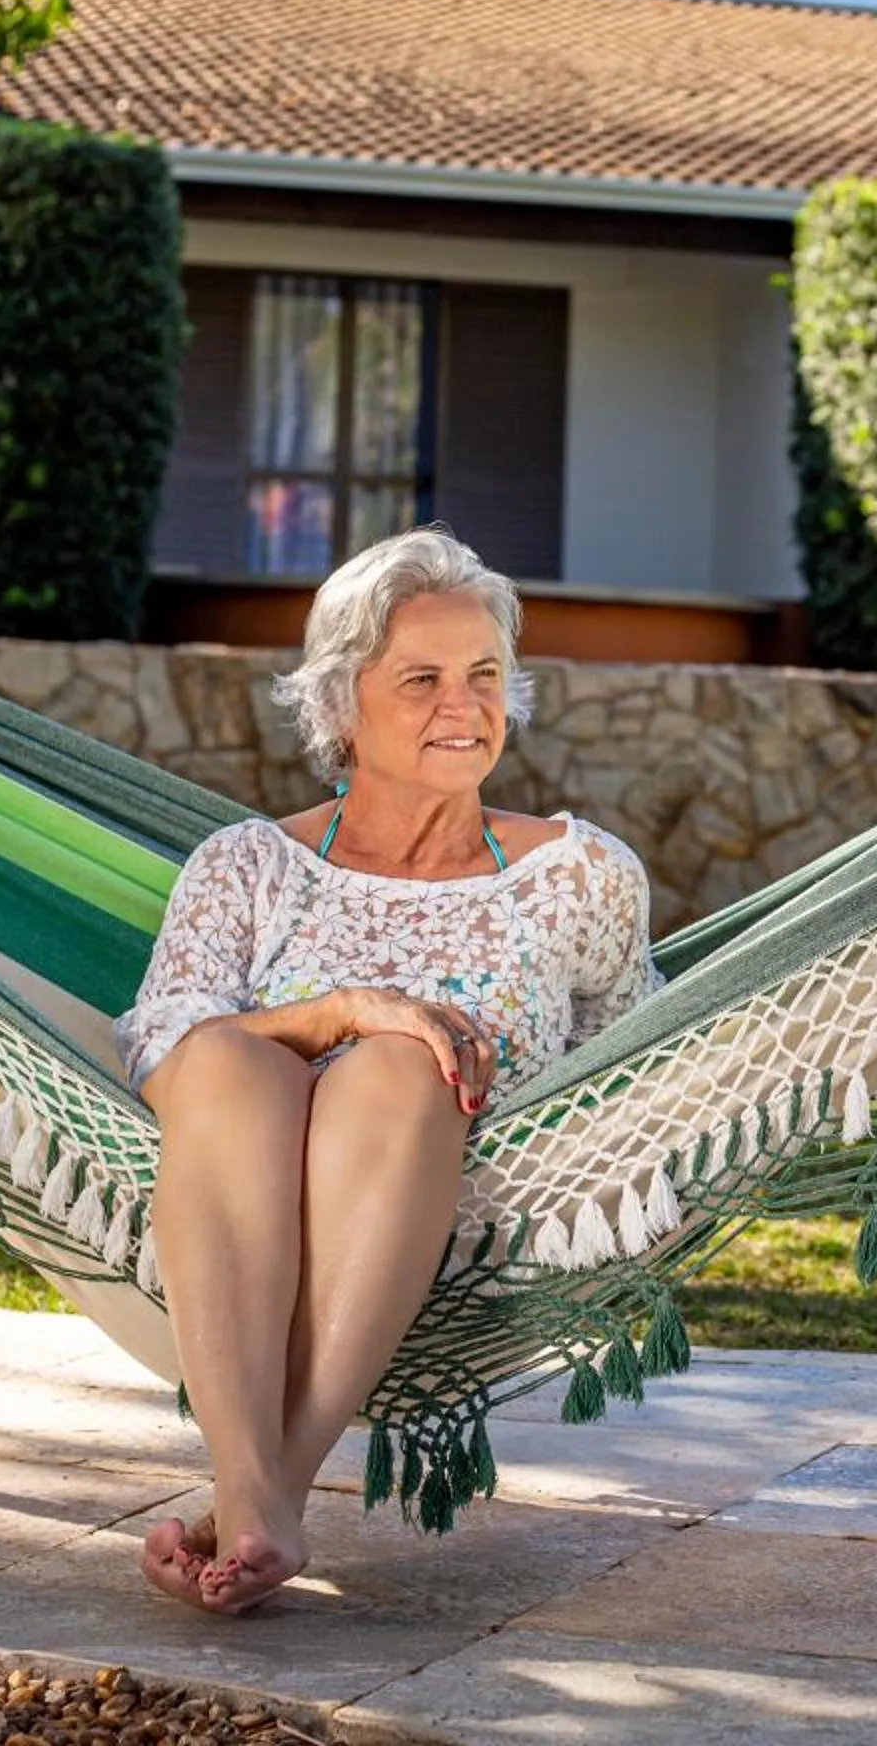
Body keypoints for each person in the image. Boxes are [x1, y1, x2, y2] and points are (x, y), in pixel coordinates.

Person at [111, 527, 661, 1615]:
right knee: (226, 1052)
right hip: (242, 1172)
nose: (465, 705)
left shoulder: (578, 875)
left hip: (462, 1202)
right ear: (340, 702)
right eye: (423, 678)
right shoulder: (247, 867)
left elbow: (639, 1049)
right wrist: (339, 1013)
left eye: (485, 675)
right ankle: (265, 1498)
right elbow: (160, 1039)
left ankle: (260, 1481)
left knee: (404, 1069)